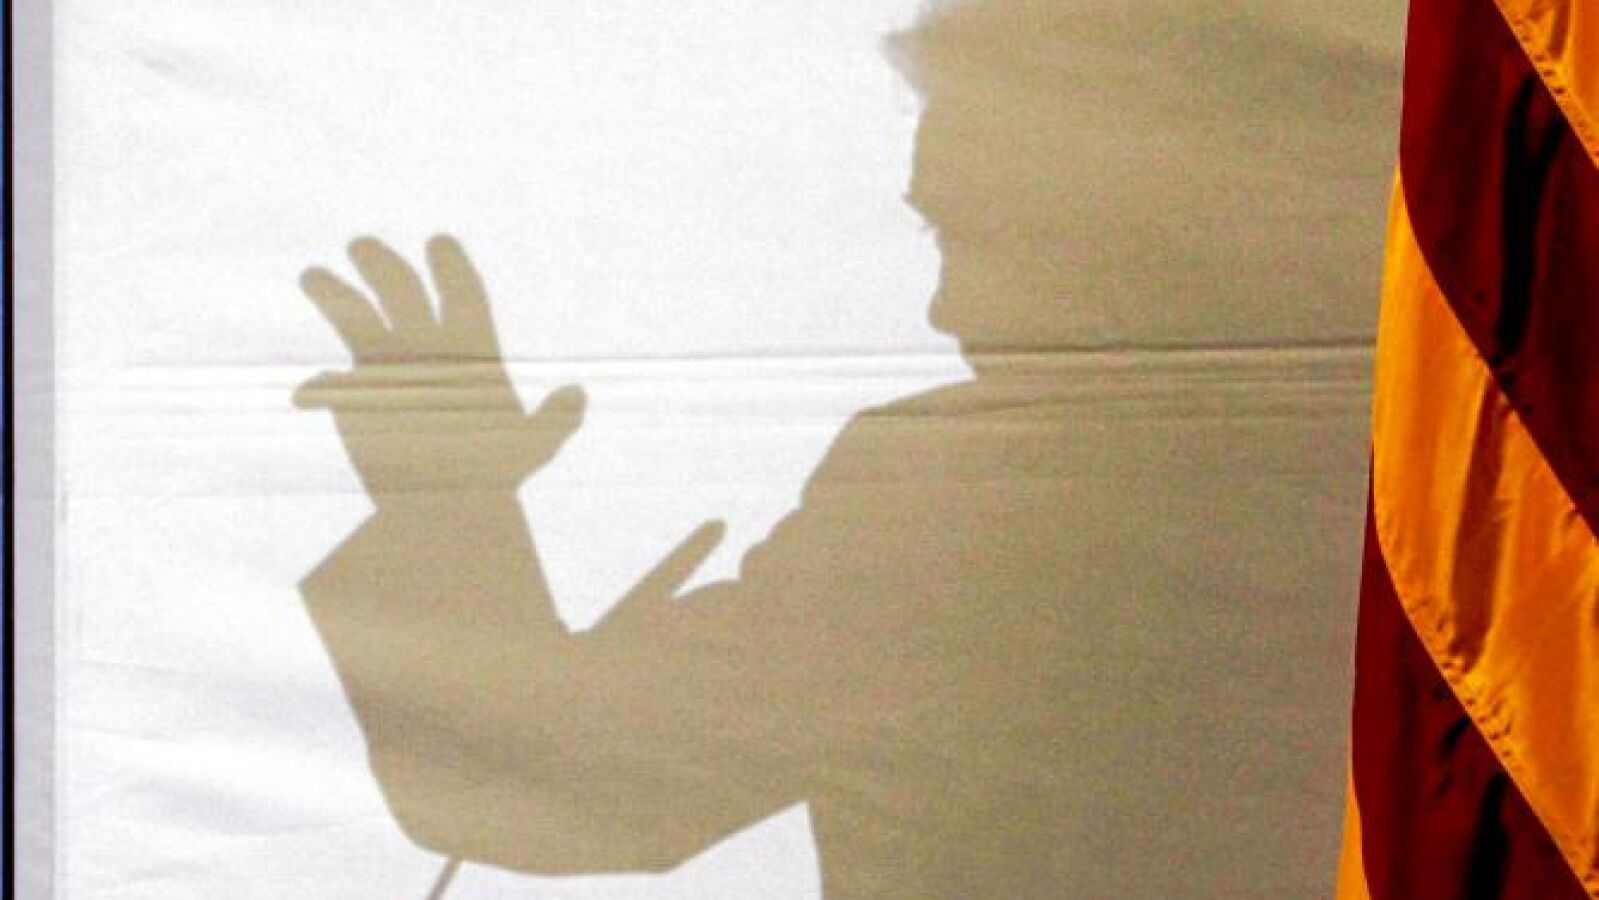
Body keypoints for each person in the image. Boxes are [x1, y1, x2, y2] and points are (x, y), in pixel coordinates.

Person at [295, 1, 1393, 895]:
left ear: (1108, 230)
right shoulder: (1427, 474)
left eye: (971, 234)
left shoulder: (952, 498)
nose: (946, 305)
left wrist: (443, 498)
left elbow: (551, 779)